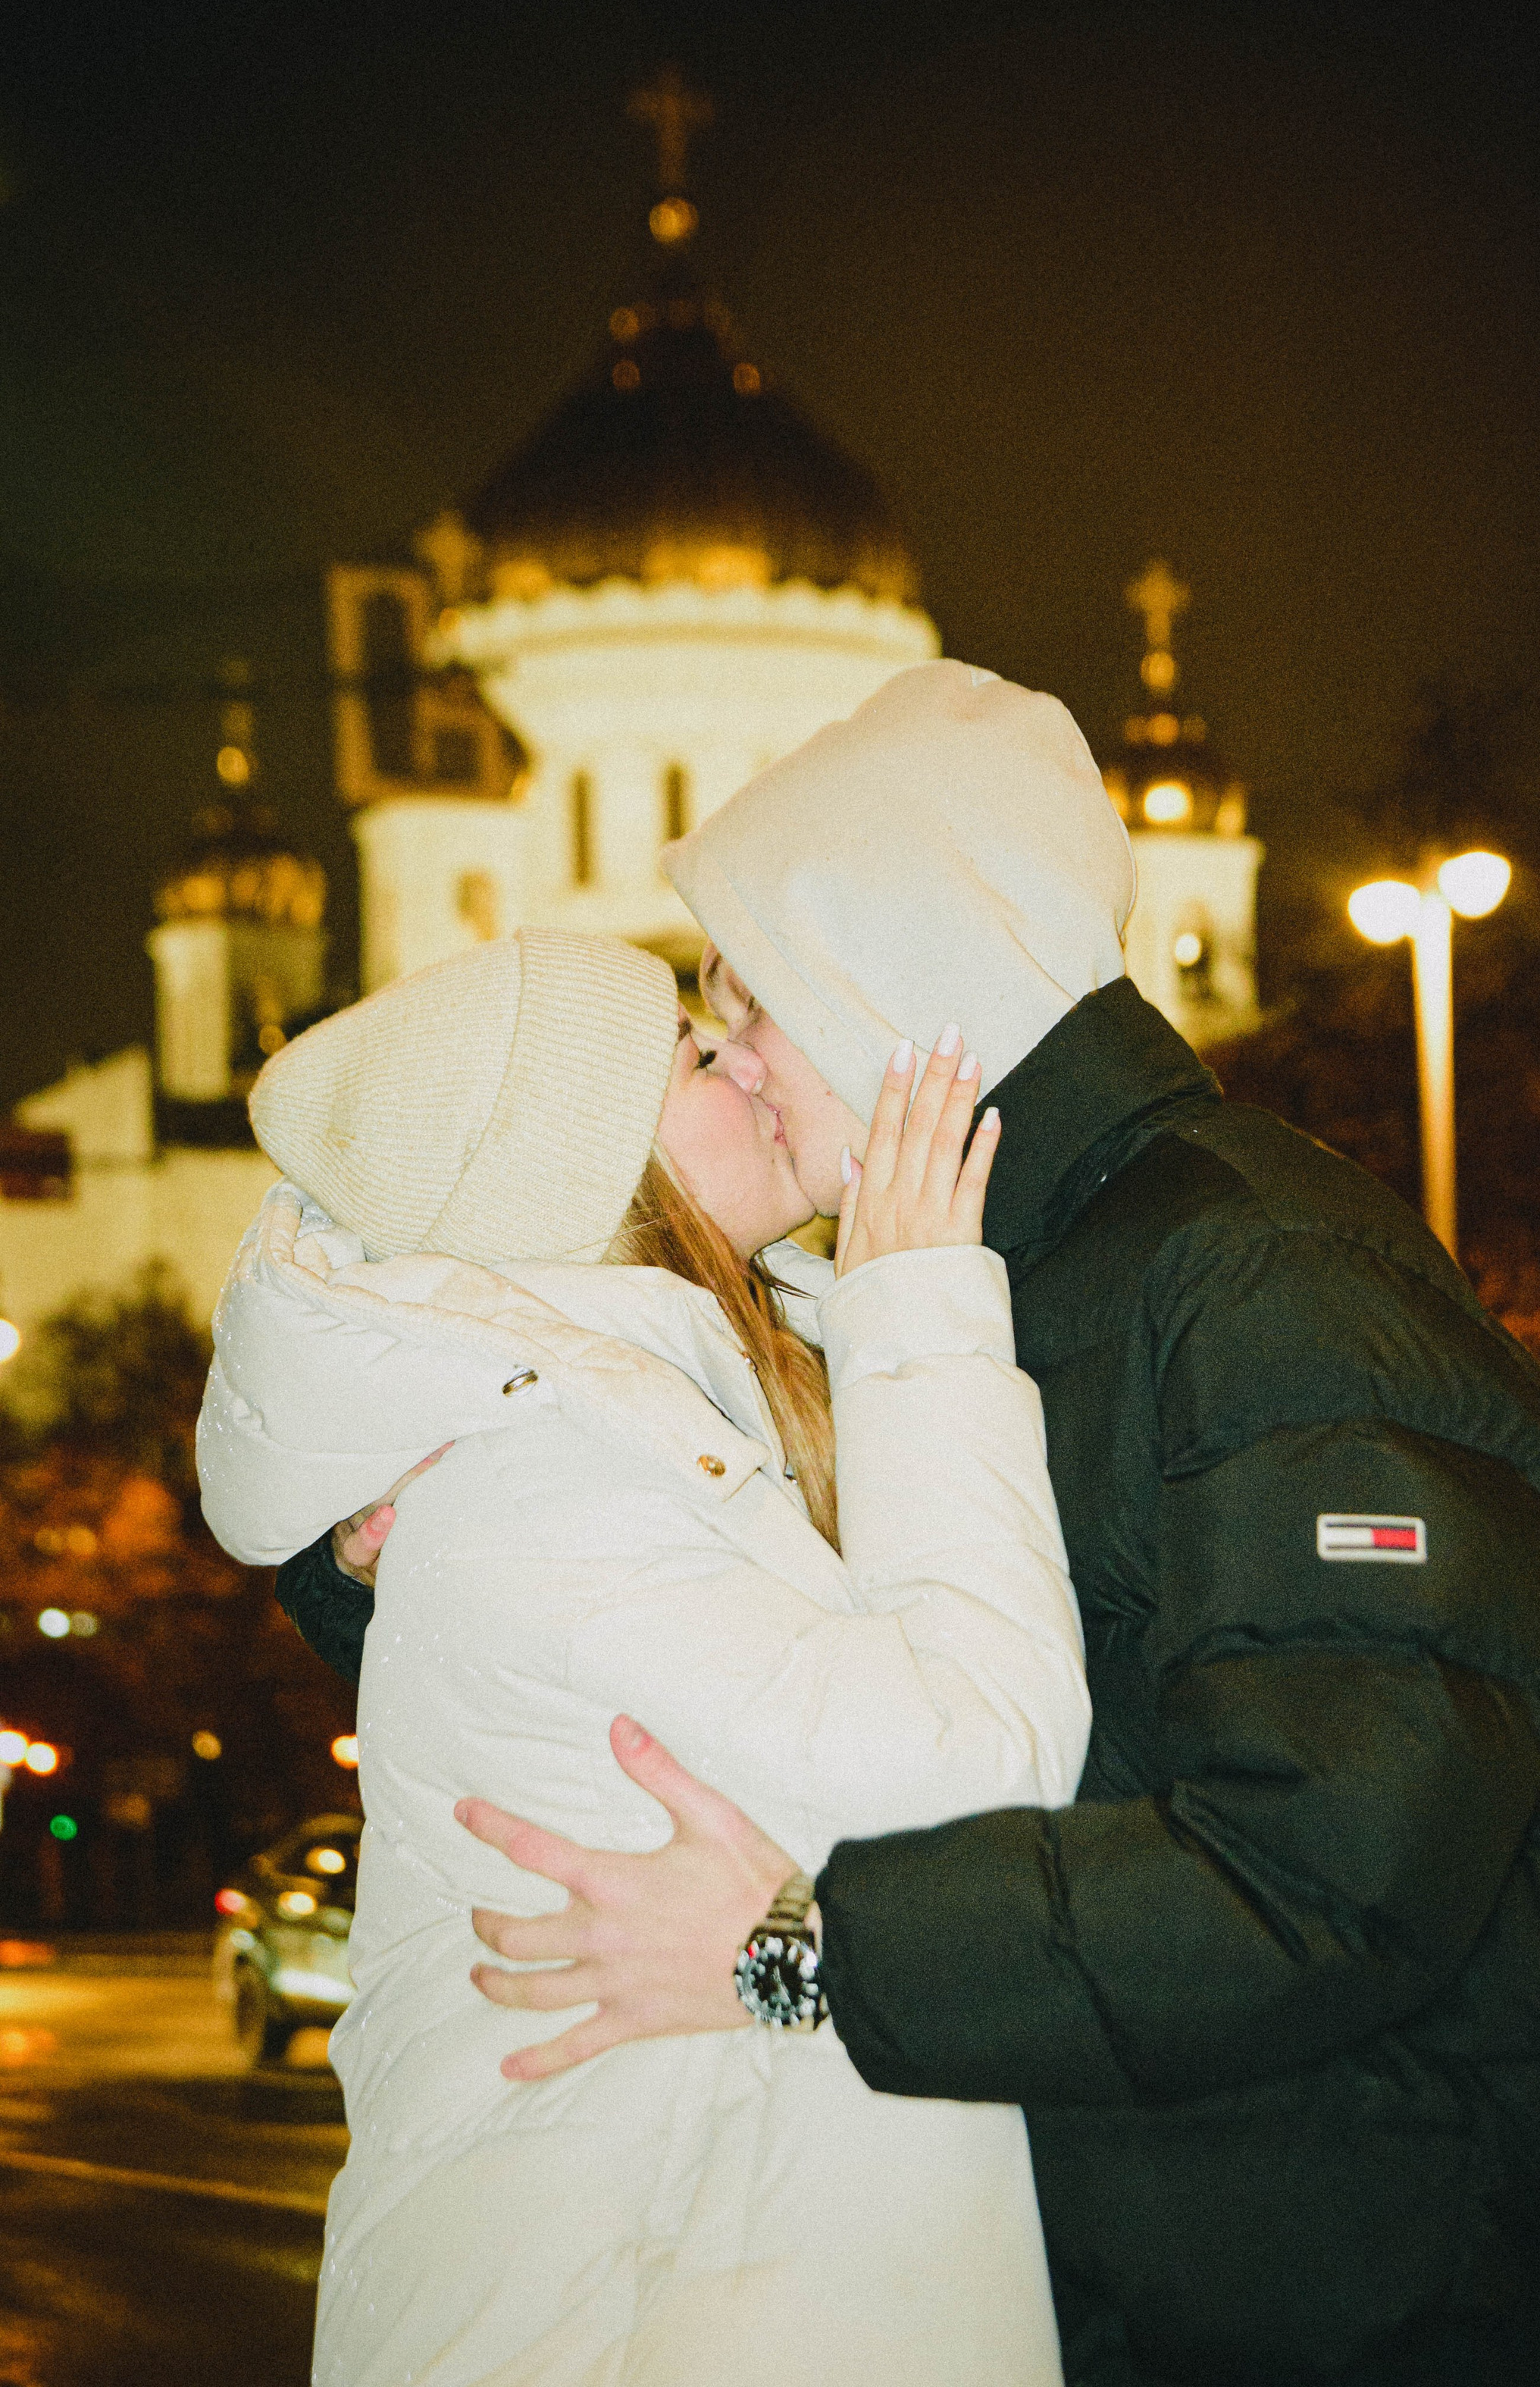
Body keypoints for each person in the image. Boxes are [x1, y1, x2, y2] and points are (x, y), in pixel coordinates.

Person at [279, 663, 1540, 2386]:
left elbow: (1326, 1868)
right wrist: (364, 1540)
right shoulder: (931, 1284)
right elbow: (658, 1565)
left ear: (893, 978)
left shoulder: (1268, 1284)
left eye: (752, 1003)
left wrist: (799, 1956)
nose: (732, 1064)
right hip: (1118, 2247)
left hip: (1318, 2269)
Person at [197, 924, 1088, 2387]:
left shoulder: (663, 1416)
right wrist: (922, 1306)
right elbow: (981, 1764)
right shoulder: (552, 1481)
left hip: (679, 2277)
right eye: (693, 1051)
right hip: (634, 2313)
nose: (746, 1056)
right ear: (591, 1169)